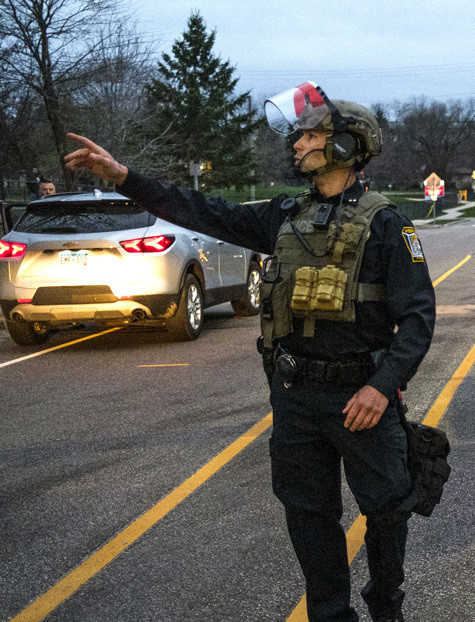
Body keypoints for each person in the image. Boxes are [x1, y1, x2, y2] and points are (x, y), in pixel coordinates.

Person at [65, 81, 434, 621]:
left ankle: (386, 606)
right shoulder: (286, 216)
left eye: (310, 136)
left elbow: (418, 319)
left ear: (346, 146)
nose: (297, 144)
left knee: (385, 511)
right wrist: (125, 177)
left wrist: (381, 388)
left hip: (362, 400)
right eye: (299, 135)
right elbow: (204, 211)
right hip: (297, 397)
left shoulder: (387, 225)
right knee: (309, 516)